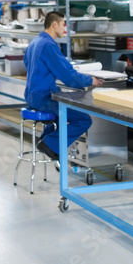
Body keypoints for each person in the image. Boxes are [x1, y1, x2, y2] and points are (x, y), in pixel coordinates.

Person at [24, 11, 104, 161]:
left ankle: (47, 139)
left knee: (61, 114)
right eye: (63, 24)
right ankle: (49, 144)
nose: (64, 28)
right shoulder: (49, 45)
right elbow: (68, 75)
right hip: (44, 97)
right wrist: (90, 81)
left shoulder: (34, 43)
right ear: (55, 24)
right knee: (83, 119)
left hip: (31, 96)